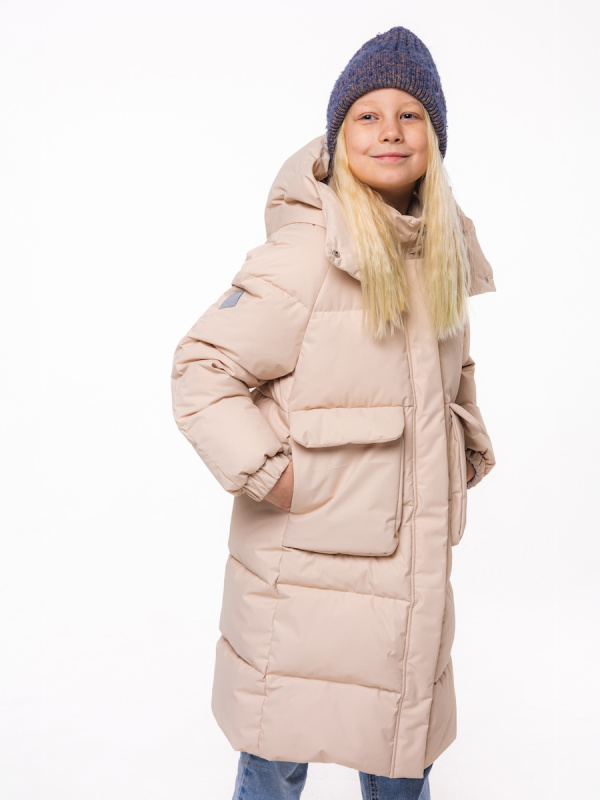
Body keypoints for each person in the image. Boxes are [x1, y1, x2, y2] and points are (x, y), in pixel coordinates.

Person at [170, 25, 496, 800]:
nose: (391, 131)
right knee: (278, 758)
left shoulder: (441, 251)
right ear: (338, 135)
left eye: (410, 115)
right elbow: (202, 370)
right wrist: (274, 476)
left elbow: (453, 374)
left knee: (400, 749)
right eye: (368, 115)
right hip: (300, 579)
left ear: (435, 138)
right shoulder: (306, 254)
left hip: (407, 573)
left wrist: (465, 449)